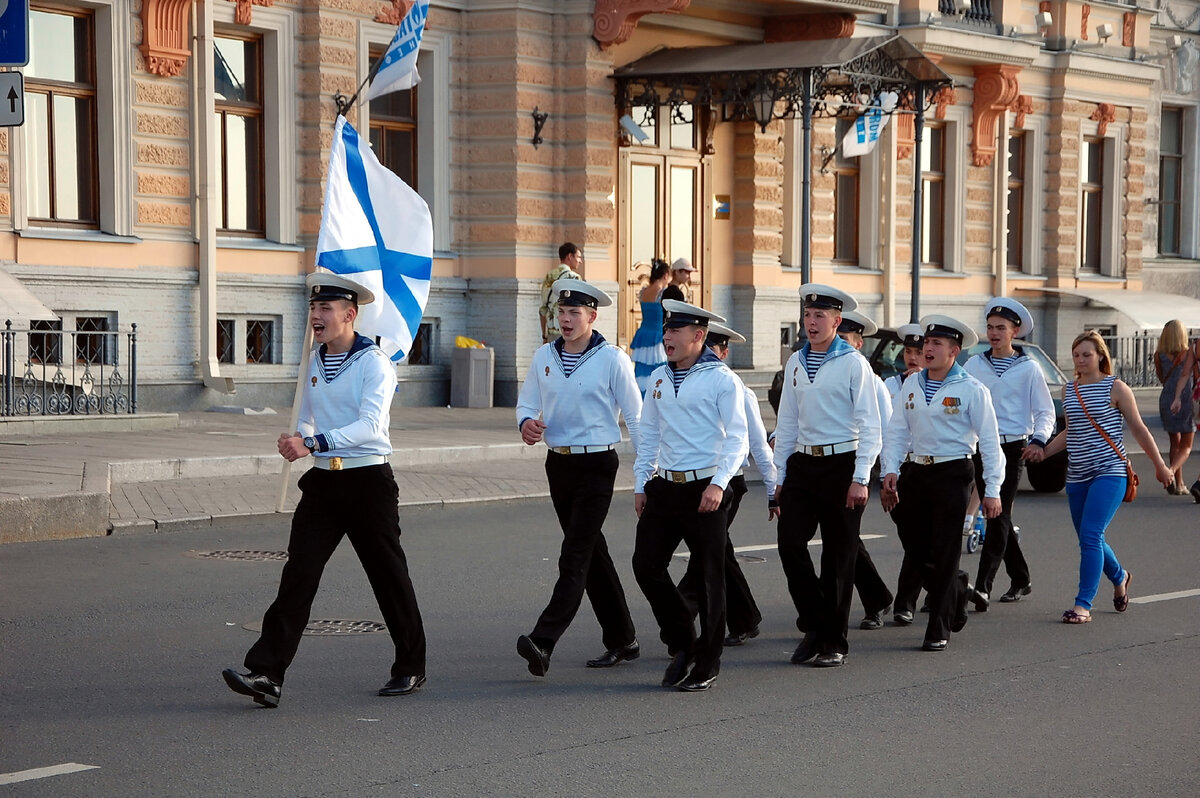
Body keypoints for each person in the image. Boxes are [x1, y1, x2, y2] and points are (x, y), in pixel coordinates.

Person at [222, 273, 427, 707]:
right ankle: (266, 674)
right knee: (298, 575)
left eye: (326, 309)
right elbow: (312, 418)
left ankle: (410, 665)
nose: (316, 316)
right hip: (323, 485)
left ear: (350, 315)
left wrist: (312, 441)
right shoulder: (314, 360)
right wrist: (297, 436)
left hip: (368, 483)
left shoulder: (374, 363)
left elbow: (370, 427)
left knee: (388, 577)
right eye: (314, 308)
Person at [513, 279, 643, 677]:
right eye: (561, 313)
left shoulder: (612, 359)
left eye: (574, 313)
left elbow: (637, 419)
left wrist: (646, 476)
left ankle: (544, 639)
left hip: (597, 466)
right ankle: (623, 639)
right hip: (560, 465)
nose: (566, 320)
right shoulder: (544, 357)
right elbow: (527, 403)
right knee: (592, 555)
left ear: (592, 316)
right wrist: (526, 424)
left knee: (574, 555)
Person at [632, 300, 748, 692]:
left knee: (710, 575)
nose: (667, 337)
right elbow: (648, 432)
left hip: (706, 487)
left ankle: (708, 661)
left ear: (699, 336)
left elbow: (738, 436)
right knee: (645, 565)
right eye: (666, 330)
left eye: (676, 331)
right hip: (665, 486)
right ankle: (684, 640)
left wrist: (719, 483)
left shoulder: (721, 379)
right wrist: (641, 482)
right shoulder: (660, 377)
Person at [879, 314, 1003, 652]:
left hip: (952, 473)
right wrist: (889, 469)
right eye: (926, 343)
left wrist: (992, 490)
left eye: (936, 344)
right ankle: (956, 589)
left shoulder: (971, 389)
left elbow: (990, 443)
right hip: (916, 472)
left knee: (945, 548)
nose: (927, 349)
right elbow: (897, 431)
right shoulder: (911, 384)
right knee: (915, 545)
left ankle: (938, 627)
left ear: (954, 351)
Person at [773, 285, 882, 668]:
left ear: (837, 321)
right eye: (807, 315)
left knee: (838, 558)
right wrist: (780, 475)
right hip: (804, 464)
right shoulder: (796, 363)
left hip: (842, 465)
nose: (812, 322)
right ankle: (816, 624)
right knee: (789, 543)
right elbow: (786, 421)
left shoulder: (853, 363)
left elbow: (871, 423)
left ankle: (833, 641)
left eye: (820, 316)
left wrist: (862, 477)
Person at [1040, 331, 1171, 624]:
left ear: (1100, 355)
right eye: (1076, 355)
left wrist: (1160, 466)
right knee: (1090, 538)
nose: (1081, 360)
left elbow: (1138, 429)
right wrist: (1043, 453)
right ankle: (1120, 576)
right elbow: (1069, 431)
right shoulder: (1069, 390)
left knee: (1090, 535)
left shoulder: (1116, 387)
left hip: (1110, 471)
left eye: (1086, 354)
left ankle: (1082, 605)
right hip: (1077, 475)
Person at [676, 321, 778, 647]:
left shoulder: (735, 387)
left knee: (707, 553)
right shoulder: (686, 383)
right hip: (696, 479)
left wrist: (773, 489)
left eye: (714, 351)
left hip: (728, 482)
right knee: (720, 552)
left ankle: (679, 615)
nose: (710, 357)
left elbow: (758, 444)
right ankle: (746, 618)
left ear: (724, 352)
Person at [963, 298, 1055, 610]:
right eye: (990, 327)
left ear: (1015, 331)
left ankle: (983, 587)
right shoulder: (974, 365)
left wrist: (1039, 441)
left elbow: (1046, 412)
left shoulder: (1029, 368)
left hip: (1013, 447)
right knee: (1000, 515)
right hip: (980, 447)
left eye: (1000, 328)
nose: (994, 333)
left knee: (996, 513)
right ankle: (1021, 578)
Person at [834, 309, 896, 632]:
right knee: (845, 540)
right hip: (822, 466)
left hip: (856, 466)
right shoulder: (821, 368)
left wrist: (887, 478)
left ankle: (874, 601)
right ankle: (878, 597)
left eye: (845, 340)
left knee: (845, 540)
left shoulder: (873, 383)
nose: (838, 345)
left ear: (858, 344)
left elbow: (884, 431)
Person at [882, 323, 927, 626]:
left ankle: (905, 602)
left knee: (924, 538)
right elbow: (889, 430)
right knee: (911, 536)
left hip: (929, 466)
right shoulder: (890, 386)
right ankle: (951, 582)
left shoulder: (941, 386)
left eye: (919, 352)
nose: (913, 357)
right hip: (900, 467)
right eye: (908, 351)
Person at [1153, 319, 1195, 496]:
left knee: (1174, 443)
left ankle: (1179, 483)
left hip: (1167, 398)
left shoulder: (1159, 355)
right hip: (1186, 398)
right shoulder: (1189, 353)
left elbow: (1161, 377)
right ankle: (1171, 473)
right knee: (1186, 445)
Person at [630, 258, 671, 393]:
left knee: (642, 369)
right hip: (657, 335)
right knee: (658, 369)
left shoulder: (644, 291)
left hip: (644, 333)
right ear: (665, 275)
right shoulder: (662, 292)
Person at [539, 243, 583, 344]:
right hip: (569, 331)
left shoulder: (549, 276)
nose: (580, 261)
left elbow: (543, 309)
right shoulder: (575, 278)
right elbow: (578, 308)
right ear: (569, 256)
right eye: (578, 257)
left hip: (552, 331)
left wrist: (544, 336)